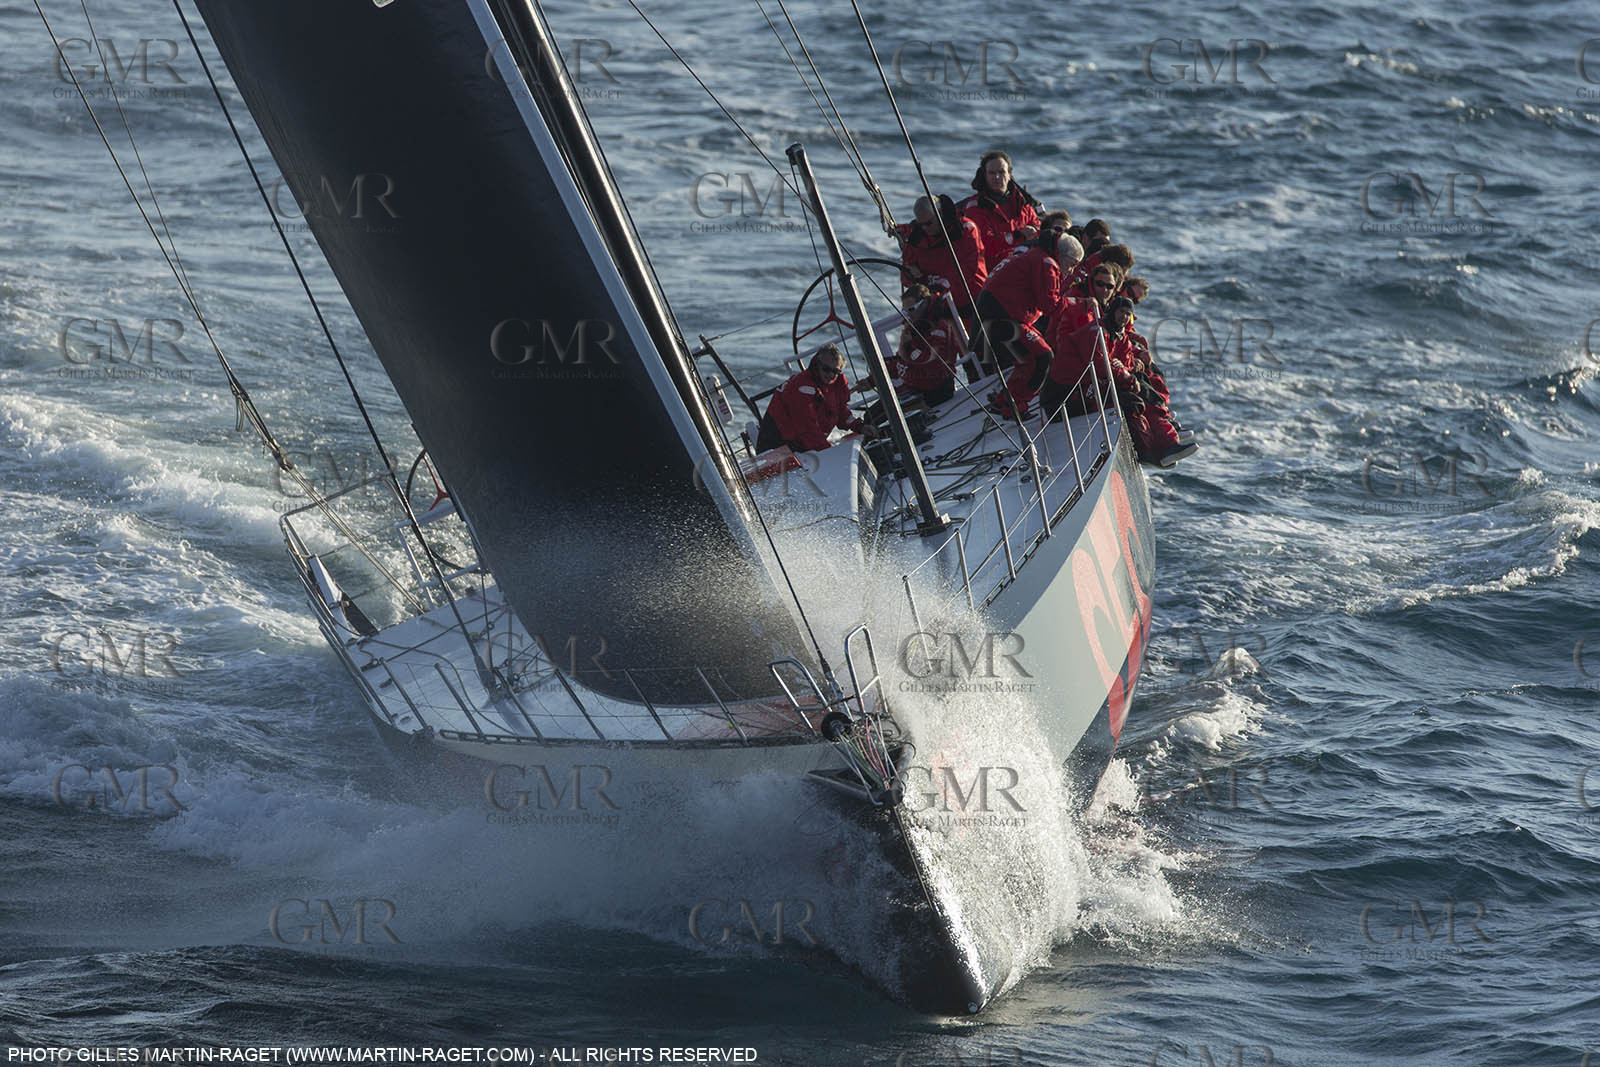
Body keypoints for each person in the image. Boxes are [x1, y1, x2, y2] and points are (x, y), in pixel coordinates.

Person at [972, 231, 1083, 418]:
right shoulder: (1046, 263)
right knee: (1043, 357)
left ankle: (1006, 400)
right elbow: (1050, 306)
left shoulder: (1035, 256)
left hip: (997, 317)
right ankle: (1014, 404)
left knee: (1032, 358)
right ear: (1062, 256)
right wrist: (1078, 303)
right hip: (1001, 319)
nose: (1071, 271)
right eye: (1072, 265)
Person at [1102, 297, 1195, 467]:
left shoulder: (1119, 335)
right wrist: (1127, 374)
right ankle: (1150, 449)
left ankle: (1165, 441)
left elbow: (1124, 361)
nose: (1124, 317)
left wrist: (1131, 367)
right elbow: (1102, 362)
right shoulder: (1101, 332)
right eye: (1121, 312)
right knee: (1136, 401)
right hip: (1089, 386)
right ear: (1112, 311)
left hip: (1113, 379)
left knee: (1147, 388)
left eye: (1127, 314)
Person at [756, 343, 878, 453]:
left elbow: (840, 412)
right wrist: (828, 451)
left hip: (805, 445)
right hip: (779, 445)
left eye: (835, 371)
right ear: (817, 365)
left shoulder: (835, 385)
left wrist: (860, 427)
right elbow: (807, 427)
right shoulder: (802, 387)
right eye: (826, 369)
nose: (830, 374)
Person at [898, 195, 987, 326]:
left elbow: (967, 271)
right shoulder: (915, 239)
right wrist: (911, 275)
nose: (925, 228)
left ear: (939, 214)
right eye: (920, 224)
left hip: (972, 304)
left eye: (928, 223)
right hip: (939, 309)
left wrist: (938, 289)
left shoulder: (965, 230)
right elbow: (906, 277)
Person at [961, 151, 1043, 266]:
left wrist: (1034, 229)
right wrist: (1017, 236)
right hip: (993, 273)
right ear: (985, 175)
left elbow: (1038, 226)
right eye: (992, 173)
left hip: (1023, 268)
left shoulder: (1022, 203)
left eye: (1001, 172)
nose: (997, 177)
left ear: (1009, 174)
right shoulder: (976, 208)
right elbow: (983, 246)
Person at [888, 285, 962, 407]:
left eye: (911, 309)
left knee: (887, 415)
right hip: (913, 388)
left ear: (924, 304)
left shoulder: (940, 329)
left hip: (936, 391)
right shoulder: (913, 326)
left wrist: (909, 348)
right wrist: (871, 381)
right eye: (905, 311)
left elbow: (933, 364)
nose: (908, 315)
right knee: (874, 415)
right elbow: (900, 359)